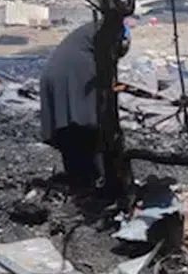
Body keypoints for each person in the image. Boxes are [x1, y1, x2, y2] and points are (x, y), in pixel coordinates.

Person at [39, 20, 131, 191]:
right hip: (75, 75)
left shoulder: (91, 33)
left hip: (55, 77)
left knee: (69, 128)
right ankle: (95, 182)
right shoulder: (110, 32)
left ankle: (81, 183)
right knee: (87, 126)